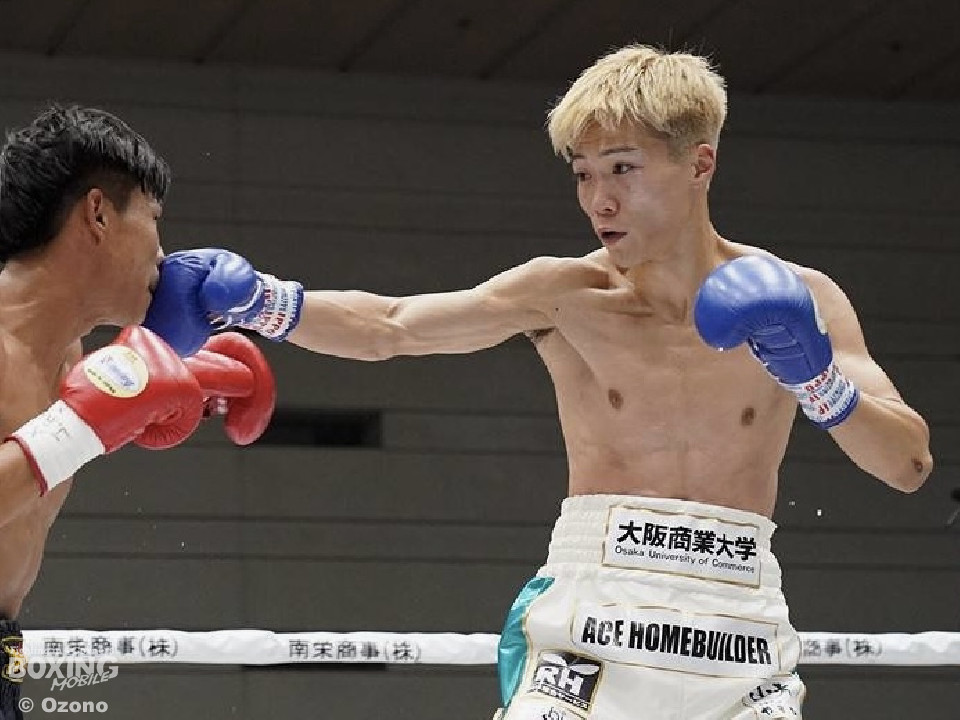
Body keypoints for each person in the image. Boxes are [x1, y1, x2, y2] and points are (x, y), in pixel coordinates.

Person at [144, 45, 934, 719]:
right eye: (583, 174)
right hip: (591, 621)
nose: (599, 199)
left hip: (739, 629)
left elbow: (908, 464)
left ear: (701, 163)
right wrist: (261, 302)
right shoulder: (563, 294)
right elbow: (392, 325)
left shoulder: (804, 298)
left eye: (623, 168)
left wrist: (817, 380)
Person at [0, 105, 276, 720]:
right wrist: (86, 423)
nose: (162, 253)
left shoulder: (67, 357)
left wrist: (166, 394)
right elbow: (68, 433)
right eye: (153, 219)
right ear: (98, 214)